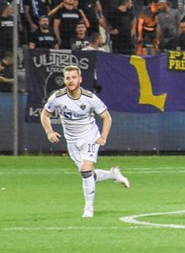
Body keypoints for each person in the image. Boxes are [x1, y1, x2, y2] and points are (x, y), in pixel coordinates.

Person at [40, 65, 130, 218]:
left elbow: (107, 117)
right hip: (72, 142)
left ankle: (89, 209)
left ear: (80, 79)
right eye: (68, 78)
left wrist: (103, 137)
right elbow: (44, 114)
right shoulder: (57, 97)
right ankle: (112, 174)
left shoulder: (90, 98)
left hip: (89, 137)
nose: (71, 81)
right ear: (65, 80)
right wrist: (49, 131)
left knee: (85, 170)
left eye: (74, 77)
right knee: (89, 175)